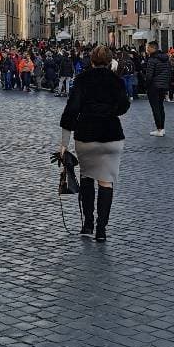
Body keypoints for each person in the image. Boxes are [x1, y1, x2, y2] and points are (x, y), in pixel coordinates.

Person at [59, 44, 130, 243]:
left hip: (87, 135)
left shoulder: (82, 79)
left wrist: (64, 142)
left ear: (91, 60)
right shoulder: (117, 81)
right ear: (109, 61)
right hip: (111, 136)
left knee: (87, 177)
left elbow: (71, 110)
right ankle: (102, 229)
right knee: (106, 181)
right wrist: (109, 110)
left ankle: (88, 224)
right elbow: (124, 106)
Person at [144, 41, 171, 136]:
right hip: (163, 85)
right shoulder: (165, 59)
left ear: (152, 48)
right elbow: (169, 72)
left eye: (148, 48)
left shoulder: (152, 59)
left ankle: (159, 129)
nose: (147, 50)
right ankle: (162, 128)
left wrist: (146, 85)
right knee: (160, 107)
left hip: (154, 86)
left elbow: (149, 75)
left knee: (155, 108)